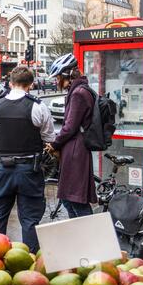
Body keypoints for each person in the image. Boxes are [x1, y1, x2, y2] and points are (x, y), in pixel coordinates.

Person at [0, 66, 55, 253]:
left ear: (10, 83)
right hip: (29, 170)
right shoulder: (38, 106)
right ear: (30, 85)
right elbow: (49, 137)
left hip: (2, 169)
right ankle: (30, 263)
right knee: (30, 219)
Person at [45, 53, 97, 218]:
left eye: (58, 76)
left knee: (76, 200)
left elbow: (69, 127)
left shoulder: (78, 93)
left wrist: (54, 144)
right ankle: (79, 235)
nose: (56, 81)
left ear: (66, 74)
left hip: (76, 152)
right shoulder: (79, 90)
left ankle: (88, 236)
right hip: (74, 150)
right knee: (68, 198)